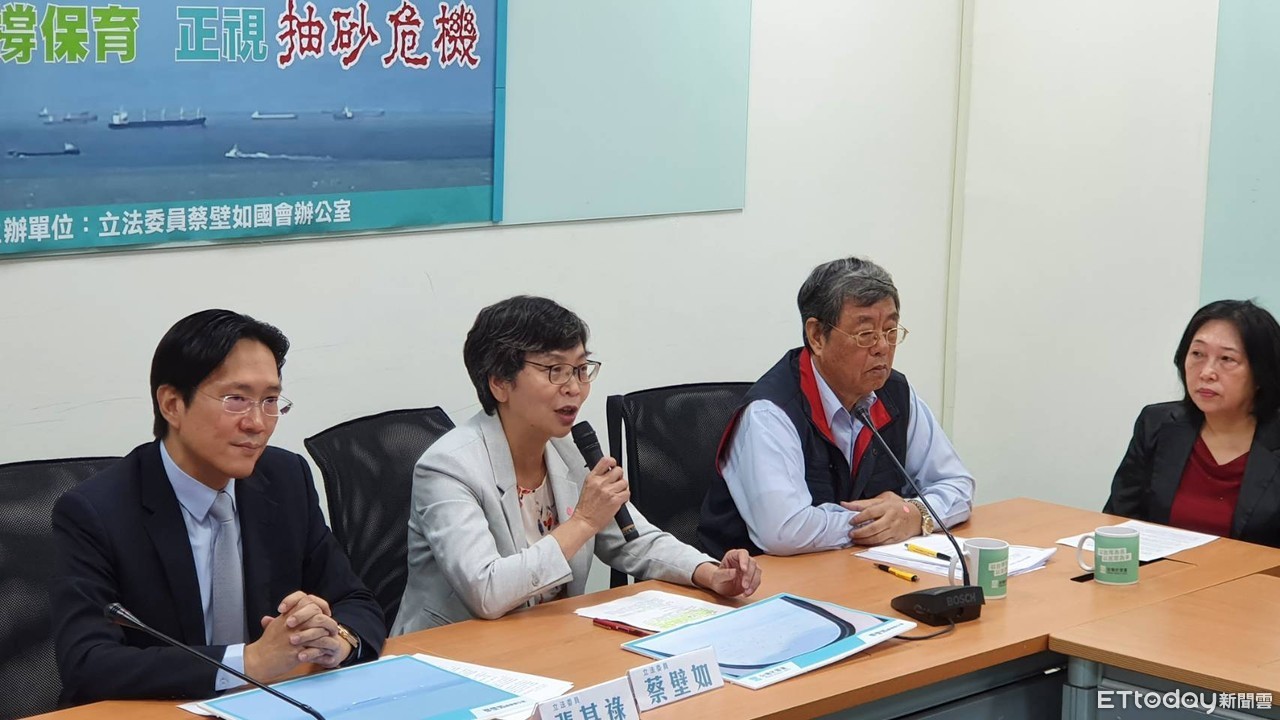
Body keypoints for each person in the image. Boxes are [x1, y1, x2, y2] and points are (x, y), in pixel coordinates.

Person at [51, 310, 384, 704]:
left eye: (270, 400)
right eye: (236, 400)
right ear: (172, 404)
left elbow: (355, 600)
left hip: (271, 704)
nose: (257, 423)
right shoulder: (95, 512)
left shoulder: (285, 478)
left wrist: (335, 640)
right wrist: (249, 662)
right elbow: (88, 663)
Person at [392, 296, 761, 634]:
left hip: (542, 642)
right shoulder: (448, 468)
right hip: (447, 655)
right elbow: (486, 592)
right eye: (555, 370)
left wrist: (709, 573)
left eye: (581, 369)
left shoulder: (568, 452)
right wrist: (583, 521)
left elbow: (633, 539)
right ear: (500, 383)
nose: (575, 387)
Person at [699, 257, 975, 557]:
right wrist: (884, 522)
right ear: (817, 336)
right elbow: (785, 530)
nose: (882, 347)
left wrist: (915, 513)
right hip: (760, 579)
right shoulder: (770, 412)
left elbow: (957, 485)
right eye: (866, 334)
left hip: (855, 568)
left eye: (890, 331)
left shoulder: (894, 393)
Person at [1105, 299, 1280, 547]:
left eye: (1227, 359)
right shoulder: (1157, 424)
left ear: (1261, 373)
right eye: (1197, 354)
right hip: (1160, 571)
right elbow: (1119, 521)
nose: (1206, 372)